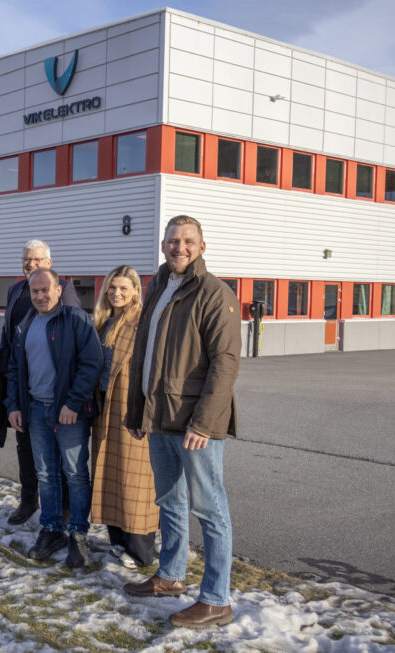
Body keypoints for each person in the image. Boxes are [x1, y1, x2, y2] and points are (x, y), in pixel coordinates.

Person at [123, 215, 241, 629]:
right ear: (163, 245)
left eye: (188, 241)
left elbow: (225, 364)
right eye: (173, 240)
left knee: (210, 509)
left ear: (201, 247)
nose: (180, 247)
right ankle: (171, 576)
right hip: (160, 419)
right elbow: (144, 355)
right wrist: (137, 411)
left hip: (195, 426)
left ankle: (216, 600)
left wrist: (204, 423)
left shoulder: (214, 293)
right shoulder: (157, 287)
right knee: (169, 502)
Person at [5, 268, 101, 568]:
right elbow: (15, 369)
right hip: (36, 410)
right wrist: (14, 406)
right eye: (35, 291)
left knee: (75, 474)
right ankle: (51, 529)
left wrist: (73, 403)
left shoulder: (76, 319)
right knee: (45, 474)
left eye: (45, 290)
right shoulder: (26, 323)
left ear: (59, 290)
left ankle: (78, 534)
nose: (40, 296)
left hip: (69, 413)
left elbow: (91, 363)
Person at [0, 239, 81, 526]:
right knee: (25, 445)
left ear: (49, 263)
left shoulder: (63, 288)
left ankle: (65, 508)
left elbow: (71, 337)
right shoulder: (15, 290)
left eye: (37, 259)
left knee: (58, 452)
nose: (31, 264)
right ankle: (29, 499)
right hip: (22, 383)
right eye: (27, 259)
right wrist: (6, 372)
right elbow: (8, 334)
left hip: (53, 386)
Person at [90, 265, 157, 569]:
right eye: (112, 288)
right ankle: (118, 541)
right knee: (109, 476)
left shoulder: (142, 322)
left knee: (134, 482)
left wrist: (146, 412)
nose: (116, 293)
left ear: (135, 291)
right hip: (105, 407)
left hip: (130, 409)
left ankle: (141, 550)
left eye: (123, 288)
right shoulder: (104, 322)